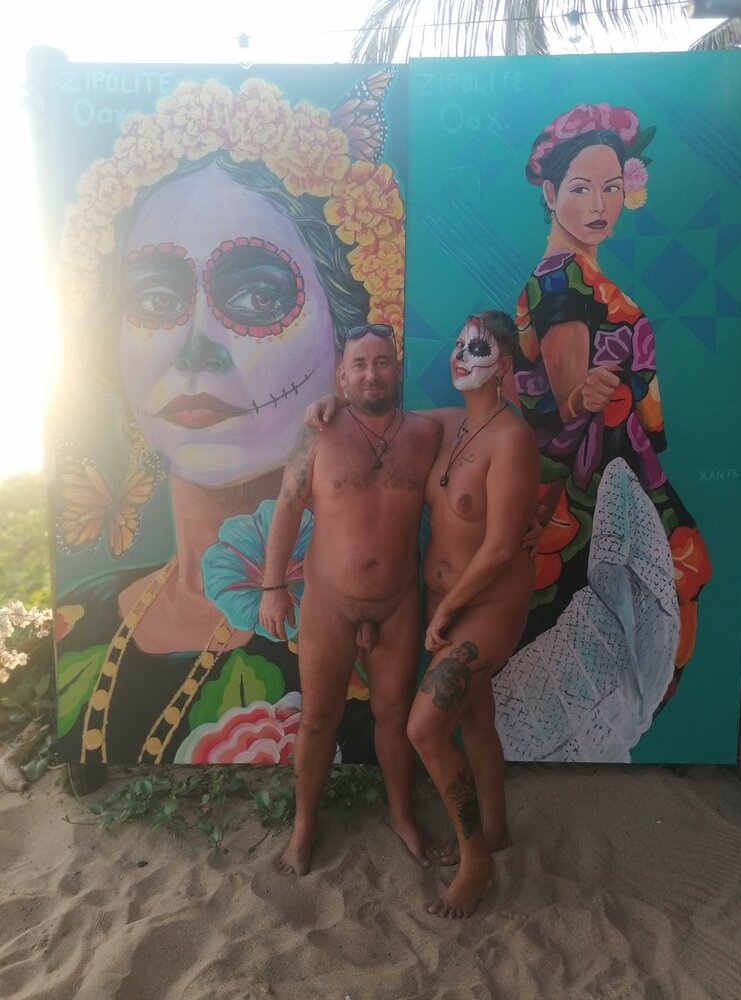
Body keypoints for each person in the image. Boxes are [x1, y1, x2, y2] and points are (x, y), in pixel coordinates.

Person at [52, 74, 405, 766]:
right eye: (157, 300)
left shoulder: (354, 629)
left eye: (257, 296)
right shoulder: (81, 617)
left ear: (344, 340)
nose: (195, 347)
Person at [493, 102, 711, 762]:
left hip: (608, 464)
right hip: (592, 476)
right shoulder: (561, 279)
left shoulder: (582, 274)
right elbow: (568, 399)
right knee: (626, 598)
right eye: (582, 188)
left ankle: (577, 740)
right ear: (550, 193)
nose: (598, 205)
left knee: (593, 613)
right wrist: (582, 393)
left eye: (612, 188)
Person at [304, 311, 540, 918]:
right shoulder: (449, 425)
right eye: (458, 345)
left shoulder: (512, 438)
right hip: (441, 603)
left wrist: (448, 610)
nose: (461, 355)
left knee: (425, 727)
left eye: (477, 347)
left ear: (503, 365)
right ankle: (497, 829)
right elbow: (376, 413)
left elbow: (500, 549)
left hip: (483, 606)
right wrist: (334, 400)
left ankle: (476, 860)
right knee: (476, 717)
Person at [258, 323, 443, 875]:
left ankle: (401, 815)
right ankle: (304, 825)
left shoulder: (428, 432)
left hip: (398, 602)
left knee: (393, 714)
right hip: (329, 603)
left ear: (397, 370)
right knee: (318, 719)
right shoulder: (319, 433)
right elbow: (287, 505)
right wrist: (273, 586)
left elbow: (489, 431)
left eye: (381, 362)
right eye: (359, 365)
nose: (371, 374)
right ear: (342, 376)